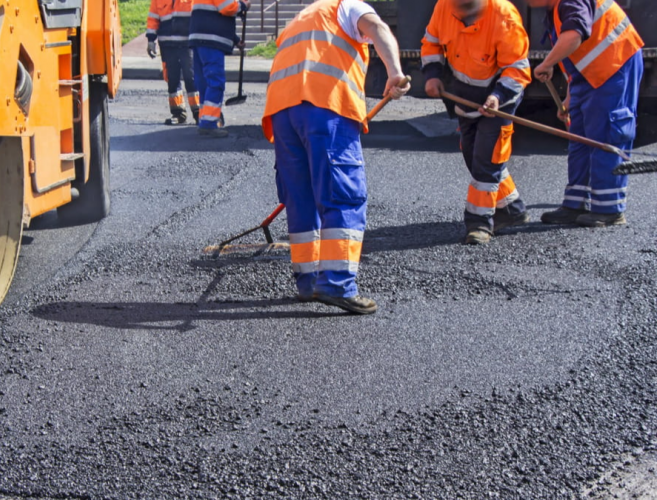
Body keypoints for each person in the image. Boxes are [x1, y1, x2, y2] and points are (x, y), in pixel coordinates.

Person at [262, 0, 410, 315]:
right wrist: (395, 72)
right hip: (325, 106)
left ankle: (308, 281)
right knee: (343, 195)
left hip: (283, 112)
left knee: (300, 197)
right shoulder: (348, 6)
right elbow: (378, 29)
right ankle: (337, 284)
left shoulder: (301, 18)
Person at [422, 0, 533, 245]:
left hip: (499, 100)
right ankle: (513, 209)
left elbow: (517, 69)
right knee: (474, 157)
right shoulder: (444, 6)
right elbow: (431, 42)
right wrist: (432, 75)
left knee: (487, 161)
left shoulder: (504, 16)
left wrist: (497, 96)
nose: (463, 14)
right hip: (464, 97)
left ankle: (479, 223)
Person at [525, 0, 644, 227]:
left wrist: (547, 63)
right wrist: (570, 98)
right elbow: (578, 56)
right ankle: (575, 203)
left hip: (616, 62)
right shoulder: (555, 10)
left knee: (607, 134)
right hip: (588, 75)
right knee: (579, 136)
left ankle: (609, 209)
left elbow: (574, 35)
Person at [189, 0, 251, 138]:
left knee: (204, 83)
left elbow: (213, 14)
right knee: (215, 81)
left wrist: (235, 39)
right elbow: (226, 7)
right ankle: (209, 124)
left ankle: (204, 120)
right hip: (211, 40)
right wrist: (243, 5)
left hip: (199, 37)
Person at [146, 0, 201, 125]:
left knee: (191, 77)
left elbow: (200, 15)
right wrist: (150, 40)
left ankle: (198, 112)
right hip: (167, 45)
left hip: (188, 44)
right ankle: (178, 113)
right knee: (172, 78)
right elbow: (153, 18)